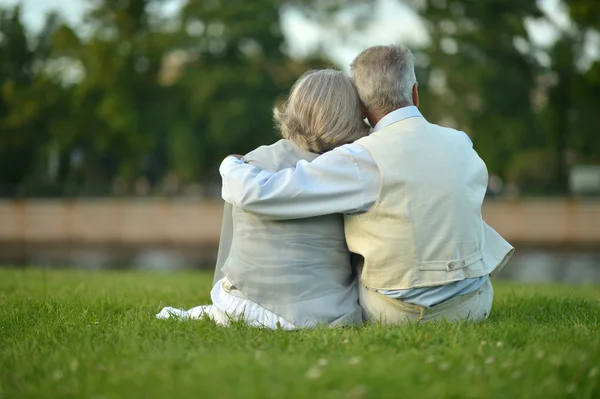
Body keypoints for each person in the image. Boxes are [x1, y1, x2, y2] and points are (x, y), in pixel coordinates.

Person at [218, 45, 515, 324]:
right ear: (415, 93)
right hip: (476, 302)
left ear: (361, 107)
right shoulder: (461, 142)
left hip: (402, 311)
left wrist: (231, 164)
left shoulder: (361, 160)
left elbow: (264, 193)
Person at [157, 69, 369, 329]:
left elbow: (230, 242)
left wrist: (229, 163)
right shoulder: (352, 173)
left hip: (245, 306)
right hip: (324, 313)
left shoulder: (252, 162)